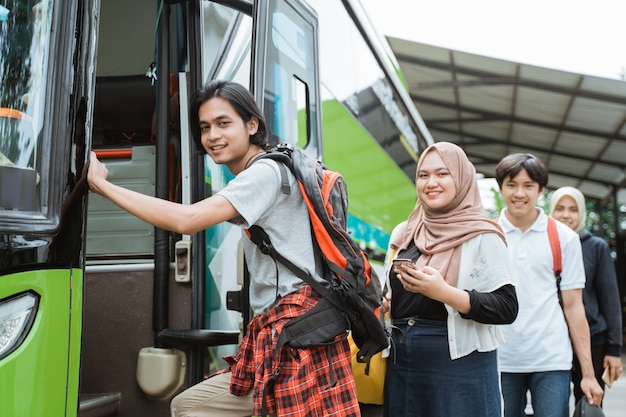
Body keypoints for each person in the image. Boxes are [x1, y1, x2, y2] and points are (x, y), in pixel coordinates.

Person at [87, 80, 360, 417]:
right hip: (290, 333)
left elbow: (188, 220)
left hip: (295, 339)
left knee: (189, 408)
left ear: (252, 125)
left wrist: (102, 186)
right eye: (204, 127)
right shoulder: (276, 167)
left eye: (223, 123)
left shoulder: (263, 173)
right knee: (189, 407)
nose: (212, 135)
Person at [383, 141, 519, 417]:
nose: (431, 183)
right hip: (404, 362)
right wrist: (386, 302)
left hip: (461, 366)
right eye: (423, 175)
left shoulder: (483, 234)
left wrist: (443, 292)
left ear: (461, 178)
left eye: (442, 174)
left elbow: (506, 307)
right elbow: (390, 291)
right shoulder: (405, 231)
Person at [494, 153, 604, 417]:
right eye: (511, 185)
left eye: (528, 186)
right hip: (499, 360)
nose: (519, 193)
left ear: (541, 190)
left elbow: (574, 306)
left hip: (551, 360)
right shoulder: (487, 233)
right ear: (500, 188)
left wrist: (588, 374)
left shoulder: (564, 237)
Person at [549, 186, 623, 405]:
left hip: (592, 339)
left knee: (590, 404)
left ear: (581, 212)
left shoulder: (595, 247)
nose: (566, 215)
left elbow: (610, 300)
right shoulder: (544, 244)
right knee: (554, 404)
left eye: (573, 209)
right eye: (560, 208)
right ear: (551, 211)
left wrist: (613, 349)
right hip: (552, 339)